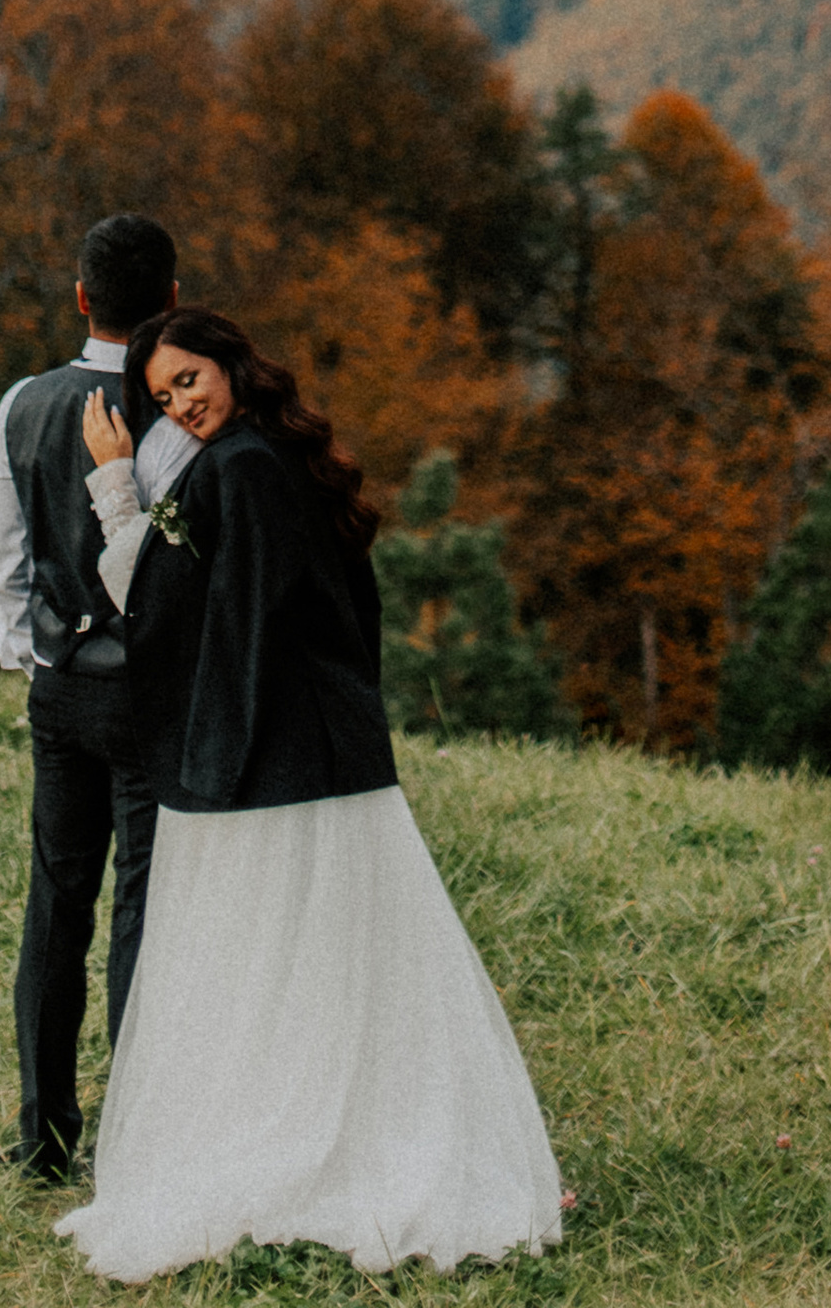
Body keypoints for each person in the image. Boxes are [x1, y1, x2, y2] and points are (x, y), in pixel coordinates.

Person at [52, 305, 563, 1281]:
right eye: (163, 397)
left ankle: (308, 1150)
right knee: (330, 960)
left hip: (276, 769)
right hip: (321, 758)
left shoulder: (239, 470)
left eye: (189, 380)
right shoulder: (268, 459)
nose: (181, 405)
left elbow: (164, 605)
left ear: (231, 367)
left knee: (271, 958)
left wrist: (117, 486)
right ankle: (337, 1128)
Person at [0, 211, 190, 1181]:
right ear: (173, 301)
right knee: (142, 915)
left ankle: (41, 1135)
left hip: (60, 693)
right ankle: (143, 1139)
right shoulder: (180, 413)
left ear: (80, 298)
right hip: (152, 696)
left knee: (57, 907)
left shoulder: (25, 401)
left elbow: (5, 553)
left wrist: (31, 657)